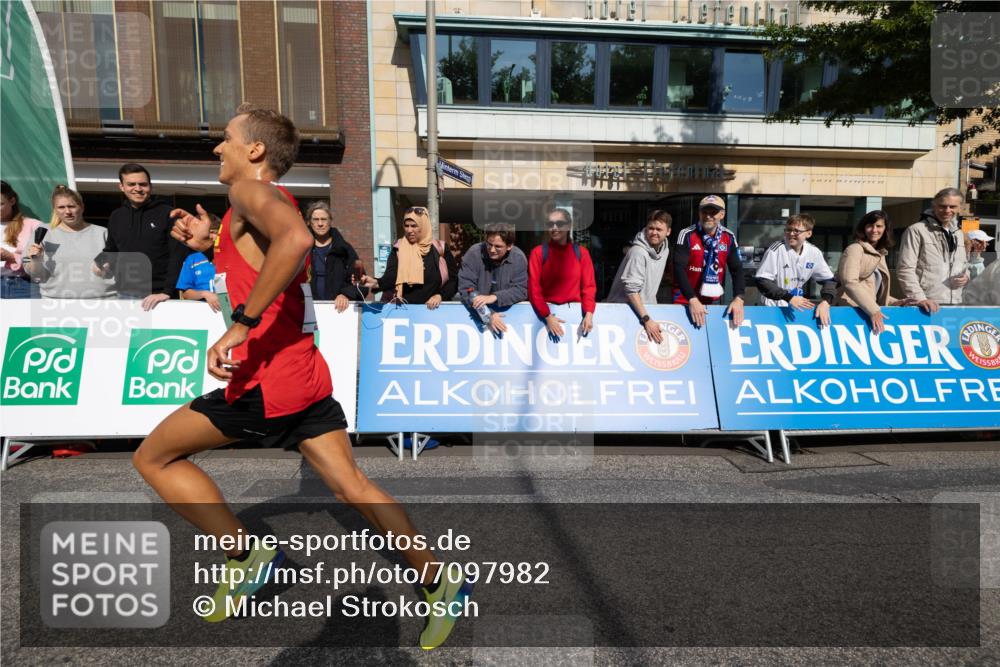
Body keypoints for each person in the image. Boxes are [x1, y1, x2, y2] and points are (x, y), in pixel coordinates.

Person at [133, 105, 470, 649]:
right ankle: (439, 579)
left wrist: (239, 327)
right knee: (352, 486)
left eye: (226, 139)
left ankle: (247, 554)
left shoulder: (250, 192)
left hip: (267, 381)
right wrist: (213, 238)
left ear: (255, 151)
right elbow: (265, 247)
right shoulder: (258, 204)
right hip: (304, 374)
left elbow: (292, 242)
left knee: (153, 457)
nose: (217, 148)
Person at [99, 163, 190, 310]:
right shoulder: (116, 216)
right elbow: (111, 250)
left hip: (159, 296)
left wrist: (167, 291)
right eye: (131, 184)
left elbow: (177, 255)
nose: (138, 189)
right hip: (125, 294)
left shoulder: (168, 213)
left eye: (143, 184)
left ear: (150, 186)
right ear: (121, 187)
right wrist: (101, 262)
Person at [24, 185, 116, 298]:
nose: (67, 211)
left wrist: (107, 267)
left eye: (72, 206)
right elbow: (35, 274)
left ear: (82, 207)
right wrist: (36, 260)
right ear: (54, 210)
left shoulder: (103, 233)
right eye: (61, 207)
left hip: (103, 301)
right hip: (56, 303)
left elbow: (120, 269)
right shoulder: (43, 233)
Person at [359, 206, 457, 308]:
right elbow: (391, 277)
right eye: (406, 226)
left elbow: (453, 280)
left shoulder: (440, 248)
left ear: (424, 226)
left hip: (436, 313)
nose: (409, 230)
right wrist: (376, 283)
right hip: (406, 312)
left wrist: (440, 296)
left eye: (414, 226)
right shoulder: (398, 248)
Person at [673, 195, 745, 328]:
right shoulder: (687, 234)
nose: (708, 216)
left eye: (713, 212)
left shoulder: (728, 237)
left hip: (713, 301)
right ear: (699, 213)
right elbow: (678, 268)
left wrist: (739, 298)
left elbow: (737, 269)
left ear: (722, 214)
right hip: (686, 300)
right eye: (704, 211)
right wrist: (692, 299)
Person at [754, 213, 836, 326]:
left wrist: (826, 302)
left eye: (796, 231)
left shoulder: (814, 252)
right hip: (771, 308)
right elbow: (762, 281)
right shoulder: (776, 249)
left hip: (795, 309)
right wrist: (789, 297)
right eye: (788, 230)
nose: (791, 234)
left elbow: (829, 281)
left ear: (809, 233)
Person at [527, 206, 597, 338]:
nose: (554, 227)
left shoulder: (582, 253)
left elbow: (589, 287)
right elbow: (533, 289)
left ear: (568, 225)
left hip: (576, 317)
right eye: (550, 224)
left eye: (559, 223)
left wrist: (589, 312)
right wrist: (547, 316)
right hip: (545, 318)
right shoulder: (538, 253)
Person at [896, 187, 968, 313]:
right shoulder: (916, 230)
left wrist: (966, 277)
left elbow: (963, 265)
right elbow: (905, 269)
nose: (947, 210)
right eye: (942, 206)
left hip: (955, 303)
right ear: (933, 206)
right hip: (925, 305)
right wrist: (919, 299)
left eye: (952, 207)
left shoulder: (959, 234)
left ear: (960, 208)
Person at [835, 210, 909, 334]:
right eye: (870, 226)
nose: (874, 230)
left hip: (866, 312)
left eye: (879, 226)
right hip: (850, 312)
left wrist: (895, 302)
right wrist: (873, 310)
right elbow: (849, 282)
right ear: (863, 228)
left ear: (885, 229)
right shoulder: (855, 249)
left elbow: (870, 290)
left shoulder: (880, 254)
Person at [606, 210, 671, 343]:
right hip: (624, 312)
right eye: (651, 228)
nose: (654, 232)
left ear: (668, 232)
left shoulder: (665, 250)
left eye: (659, 229)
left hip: (644, 312)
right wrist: (646, 319)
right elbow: (631, 290)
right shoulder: (638, 252)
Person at [457, 222, 528, 334]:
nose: (492, 250)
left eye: (498, 246)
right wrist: (488, 314)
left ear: (509, 246)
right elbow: (466, 289)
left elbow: (521, 290)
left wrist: (495, 297)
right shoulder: (473, 254)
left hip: (510, 318)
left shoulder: (518, 258)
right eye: (489, 244)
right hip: (477, 316)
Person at [305, 200, 366, 313]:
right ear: (309, 222)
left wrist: (346, 294)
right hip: (306, 312)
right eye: (316, 219)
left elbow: (362, 281)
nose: (320, 223)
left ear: (330, 221)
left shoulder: (346, 248)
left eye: (324, 219)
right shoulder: (302, 248)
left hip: (338, 313)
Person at [1, 180, 45, 299]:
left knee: (28, 318)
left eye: (0, 204)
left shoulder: (34, 226)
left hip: (25, 286)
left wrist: (11, 257)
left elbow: (47, 264)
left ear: (12, 201)